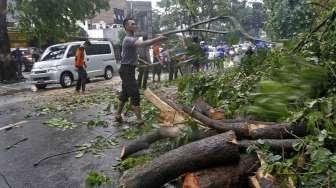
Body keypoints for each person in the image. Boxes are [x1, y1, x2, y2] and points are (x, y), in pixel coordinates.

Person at [116, 17, 167, 124]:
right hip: (126, 70)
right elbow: (143, 44)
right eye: (132, 24)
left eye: (135, 24)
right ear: (126, 26)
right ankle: (139, 120)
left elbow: (131, 55)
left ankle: (117, 115)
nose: (135, 25)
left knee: (125, 93)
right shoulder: (129, 39)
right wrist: (158, 39)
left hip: (127, 69)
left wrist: (142, 62)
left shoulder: (130, 39)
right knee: (135, 93)